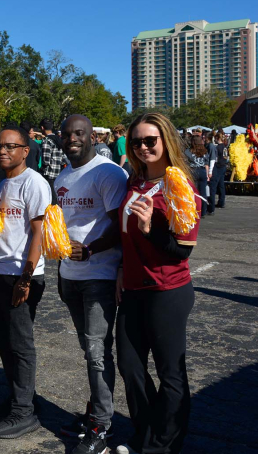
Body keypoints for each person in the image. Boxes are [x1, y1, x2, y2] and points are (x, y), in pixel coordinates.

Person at [115, 113, 200, 454]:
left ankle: (162, 445)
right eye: (136, 141)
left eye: (150, 140)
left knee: (170, 374)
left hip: (167, 291)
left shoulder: (178, 184)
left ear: (166, 141)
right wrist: (122, 267)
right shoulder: (133, 181)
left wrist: (153, 230)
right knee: (130, 368)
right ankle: (146, 432)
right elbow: (124, 235)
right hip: (133, 289)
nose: (143, 146)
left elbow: (182, 250)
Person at [54, 115, 128, 454]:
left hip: (99, 275)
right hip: (68, 276)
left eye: (79, 134)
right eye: (67, 134)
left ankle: (102, 425)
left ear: (91, 137)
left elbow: (121, 225)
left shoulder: (109, 172)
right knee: (89, 351)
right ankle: (96, 410)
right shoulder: (62, 176)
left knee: (98, 353)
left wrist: (93, 249)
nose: (73, 139)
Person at [0, 125, 50, 439]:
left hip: (21, 276)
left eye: (10, 146)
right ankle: (21, 398)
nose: (2, 151)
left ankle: (25, 413)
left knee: (21, 345)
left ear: (26, 151)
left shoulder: (34, 182)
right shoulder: (1, 183)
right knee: (2, 340)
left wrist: (25, 279)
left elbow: (38, 233)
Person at [184, 135, 209, 218]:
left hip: (193, 171)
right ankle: (203, 211)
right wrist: (207, 174)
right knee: (203, 192)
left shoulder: (188, 151)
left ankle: (194, 210)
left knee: (193, 192)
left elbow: (185, 163)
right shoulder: (204, 151)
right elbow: (206, 164)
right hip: (202, 171)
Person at [40, 120, 64, 205]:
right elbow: (63, 158)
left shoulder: (47, 140)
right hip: (58, 172)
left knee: (51, 199)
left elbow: (46, 160)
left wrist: (41, 169)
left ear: (42, 128)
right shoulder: (58, 139)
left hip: (49, 174)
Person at [211, 132, 228, 210]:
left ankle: (212, 202)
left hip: (218, 167)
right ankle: (221, 202)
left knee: (214, 185)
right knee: (221, 185)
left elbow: (215, 158)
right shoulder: (225, 147)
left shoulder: (218, 148)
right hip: (224, 166)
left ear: (217, 138)